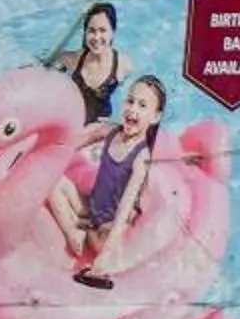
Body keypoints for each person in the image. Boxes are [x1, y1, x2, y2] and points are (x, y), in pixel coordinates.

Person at [47, 75, 167, 290]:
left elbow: (125, 207)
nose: (133, 110)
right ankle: (74, 233)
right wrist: (50, 151)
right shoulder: (110, 132)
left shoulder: (141, 157)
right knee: (51, 182)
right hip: (90, 205)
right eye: (130, 101)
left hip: (108, 225)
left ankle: (86, 236)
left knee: (105, 245)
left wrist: (106, 254)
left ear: (155, 117)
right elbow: (74, 142)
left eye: (142, 106)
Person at [50, 2, 130, 123]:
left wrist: (115, 121)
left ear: (112, 32)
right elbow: (50, 60)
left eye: (103, 30)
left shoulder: (123, 65)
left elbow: (129, 102)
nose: (97, 37)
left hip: (100, 129)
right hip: (73, 123)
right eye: (91, 31)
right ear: (85, 33)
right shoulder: (74, 60)